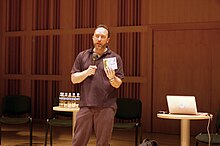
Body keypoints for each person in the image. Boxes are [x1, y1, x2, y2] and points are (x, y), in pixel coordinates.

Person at [70, 24, 124, 146]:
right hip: (86, 105)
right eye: (97, 36)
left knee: (103, 143)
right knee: (78, 141)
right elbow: (73, 79)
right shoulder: (82, 56)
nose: (99, 39)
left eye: (103, 37)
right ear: (93, 37)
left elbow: (118, 84)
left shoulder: (115, 58)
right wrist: (86, 72)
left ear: (108, 39)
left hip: (106, 106)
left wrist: (112, 78)